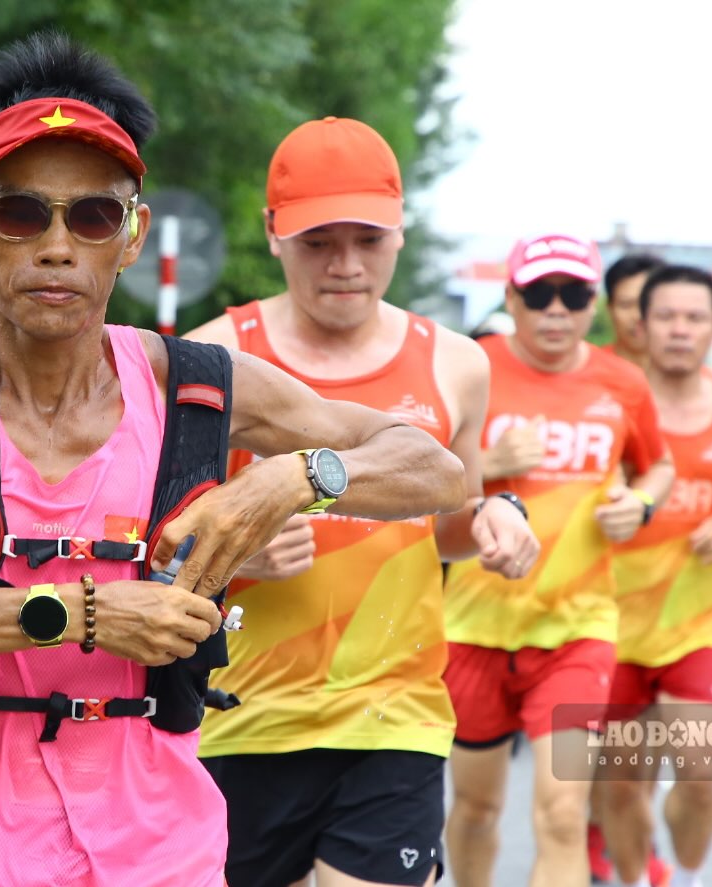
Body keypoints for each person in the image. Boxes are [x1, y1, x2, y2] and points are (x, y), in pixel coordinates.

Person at [0, 34, 466, 887]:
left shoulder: (192, 385)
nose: (57, 245)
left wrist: (285, 479)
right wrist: (76, 614)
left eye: (94, 215)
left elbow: (435, 466)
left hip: (158, 850)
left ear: (133, 234)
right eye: (21, 213)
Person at [185, 116, 540, 887]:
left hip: (396, 715)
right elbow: (154, 549)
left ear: (401, 233)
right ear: (273, 232)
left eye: (367, 240)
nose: (345, 265)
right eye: (318, 242)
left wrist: (496, 517)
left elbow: (446, 525)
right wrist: (235, 554)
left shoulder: (455, 363)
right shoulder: (216, 356)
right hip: (242, 718)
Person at [441, 232, 676, 887]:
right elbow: (417, 473)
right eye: (538, 293)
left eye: (572, 295)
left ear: (591, 305)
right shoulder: (469, 365)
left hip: (577, 630)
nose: (555, 310)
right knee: (476, 808)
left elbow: (656, 464)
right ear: (511, 298)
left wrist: (641, 501)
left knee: (564, 810)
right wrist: (488, 465)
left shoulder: (621, 383)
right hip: (472, 629)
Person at [598, 265, 712, 887]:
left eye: (695, 318)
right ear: (639, 326)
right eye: (667, 317)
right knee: (619, 790)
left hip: (696, 626)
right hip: (608, 628)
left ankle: (689, 876)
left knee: (698, 775)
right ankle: (632, 879)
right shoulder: (609, 408)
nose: (680, 330)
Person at [591, 251, 666, 884]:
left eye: (657, 305)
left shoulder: (705, 390)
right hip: (594, 588)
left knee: (641, 748)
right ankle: (603, 844)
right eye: (632, 304)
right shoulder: (596, 381)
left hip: (666, 598)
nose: (645, 319)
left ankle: (630, 845)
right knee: (603, 744)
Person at [601, 253, 664, 368]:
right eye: (626, 304)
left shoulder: (698, 381)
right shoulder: (585, 374)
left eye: (646, 303)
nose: (638, 316)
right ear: (609, 308)